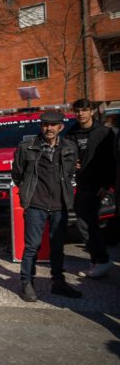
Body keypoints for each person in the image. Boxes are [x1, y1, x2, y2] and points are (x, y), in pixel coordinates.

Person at [11, 112, 83, 301]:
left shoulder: (69, 147)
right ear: (40, 126)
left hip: (60, 205)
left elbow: (68, 175)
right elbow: (17, 175)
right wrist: (28, 192)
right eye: (45, 125)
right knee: (32, 246)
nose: (48, 128)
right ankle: (27, 282)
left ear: (61, 127)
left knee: (58, 247)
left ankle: (58, 282)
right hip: (36, 205)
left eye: (53, 125)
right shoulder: (26, 147)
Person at [65, 99, 116, 278]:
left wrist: (106, 185)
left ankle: (101, 259)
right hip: (82, 182)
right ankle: (96, 259)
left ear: (92, 111)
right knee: (86, 221)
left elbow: (112, 161)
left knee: (85, 222)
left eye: (84, 110)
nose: (81, 114)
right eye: (77, 111)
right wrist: (72, 163)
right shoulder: (71, 132)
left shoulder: (104, 132)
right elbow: (65, 154)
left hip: (97, 184)